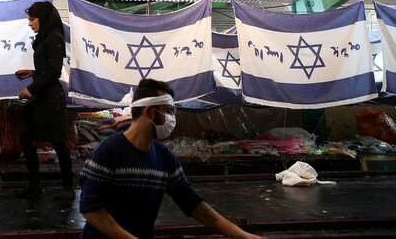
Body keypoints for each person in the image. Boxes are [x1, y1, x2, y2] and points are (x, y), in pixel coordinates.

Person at [79, 78, 264, 239]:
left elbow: (193, 204)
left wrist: (241, 235)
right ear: (150, 113)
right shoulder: (108, 151)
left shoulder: (164, 157)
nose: (172, 118)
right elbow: (91, 210)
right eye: (168, 111)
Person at [14, 0, 73, 197]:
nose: (30, 23)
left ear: (44, 19)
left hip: (50, 98)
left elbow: (55, 71)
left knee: (58, 142)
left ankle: (68, 188)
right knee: (26, 134)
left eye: (32, 19)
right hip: (43, 95)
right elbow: (47, 68)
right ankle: (34, 185)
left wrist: (31, 88)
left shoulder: (53, 38)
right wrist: (32, 72)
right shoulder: (47, 37)